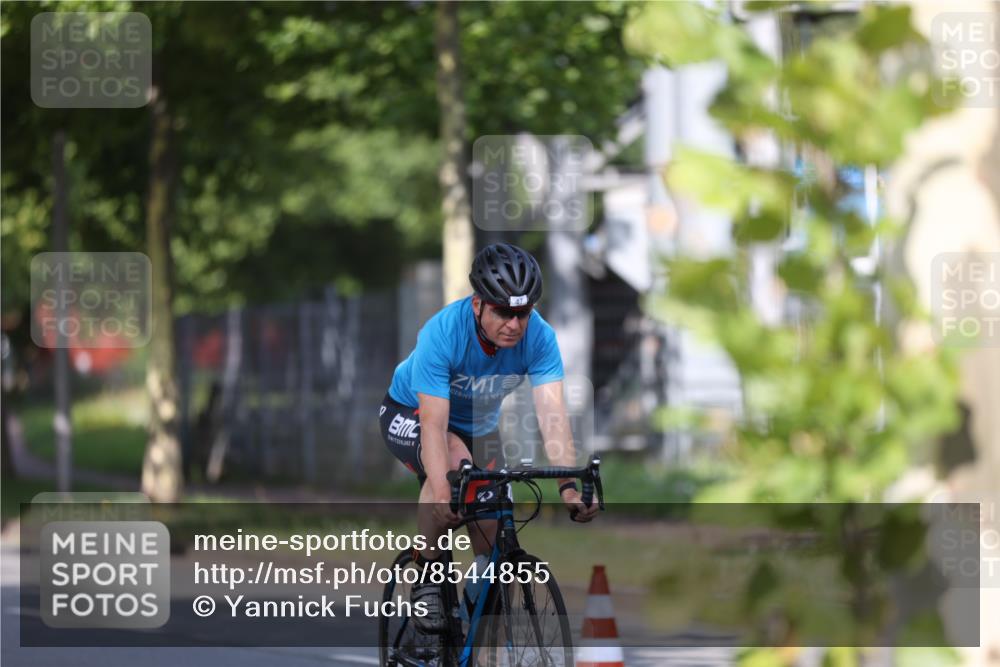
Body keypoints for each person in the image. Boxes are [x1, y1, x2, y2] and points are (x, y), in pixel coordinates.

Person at [379, 243, 597, 632]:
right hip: (411, 413)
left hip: (479, 427)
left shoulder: (540, 339)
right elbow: (433, 423)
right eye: (502, 312)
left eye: (523, 313)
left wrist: (567, 485)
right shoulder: (443, 333)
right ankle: (428, 576)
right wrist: (442, 491)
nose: (514, 324)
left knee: (495, 537)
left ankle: (472, 622)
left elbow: (553, 415)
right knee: (451, 461)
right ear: (478, 304)